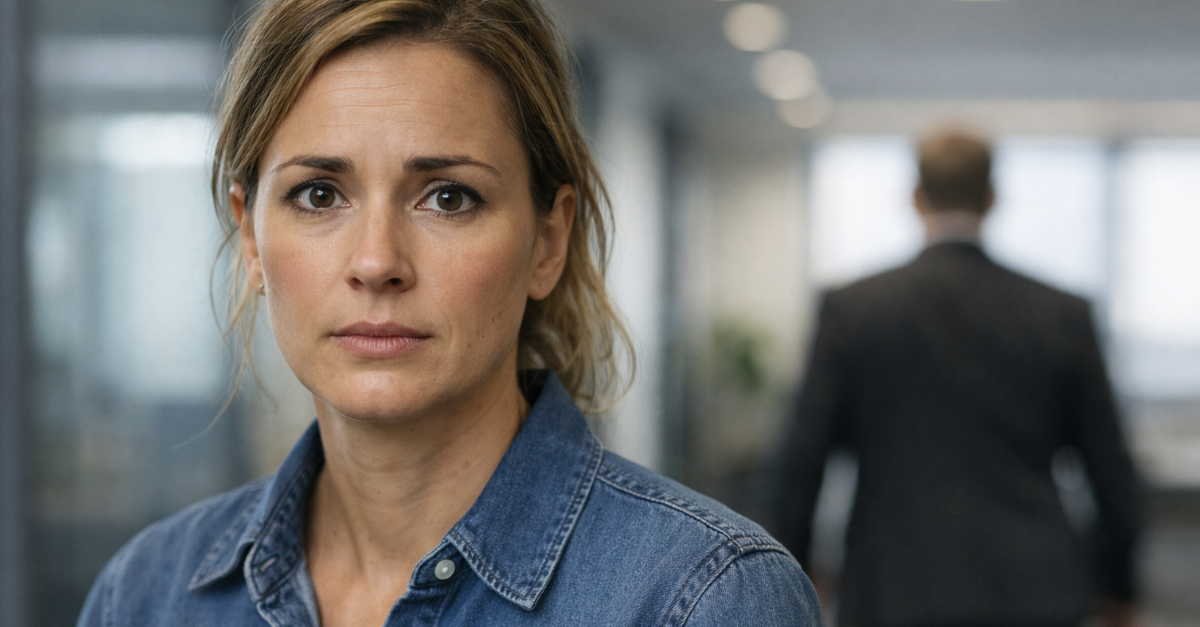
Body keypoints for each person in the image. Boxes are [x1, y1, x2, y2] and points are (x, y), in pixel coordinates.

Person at [76, 0, 822, 625]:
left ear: (548, 241)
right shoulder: (145, 595)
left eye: (448, 197)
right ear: (250, 239)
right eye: (319, 195)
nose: (377, 261)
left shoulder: (702, 599)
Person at [770, 129, 1144, 627]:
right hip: (1036, 588)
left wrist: (787, 582)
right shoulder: (1062, 314)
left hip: (894, 585)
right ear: (991, 198)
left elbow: (803, 460)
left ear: (916, 198)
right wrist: (1120, 587)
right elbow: (1110, 466)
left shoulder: (852, 311)